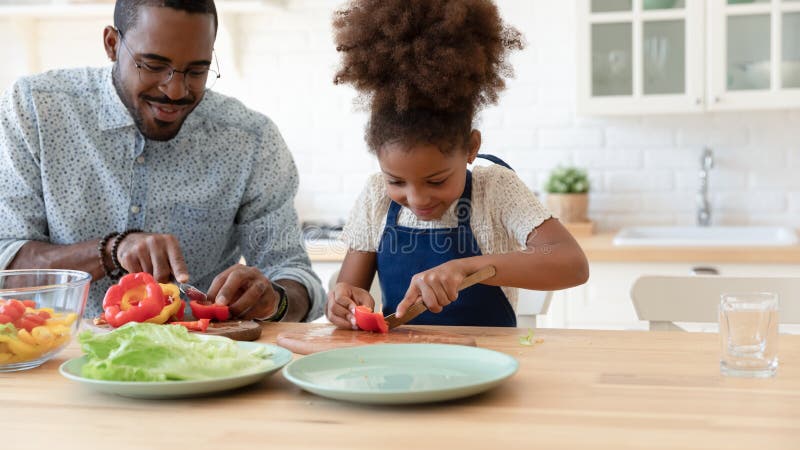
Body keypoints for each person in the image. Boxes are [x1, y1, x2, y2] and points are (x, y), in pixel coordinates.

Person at [0, 0, 325, 322]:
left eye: (197, 70)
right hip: (55, 358)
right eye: (153, 65)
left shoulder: (250, 139)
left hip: (202, 362)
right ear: (112, 44)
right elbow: (6, 263)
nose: (175, 90)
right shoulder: (34, 110)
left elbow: (294, 277)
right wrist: (111, 250)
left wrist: (274, 302)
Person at [326, 0, 589, 328]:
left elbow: (572, 263)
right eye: (396, 181)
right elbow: (349, 290)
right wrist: (342, 303)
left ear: (471, 147)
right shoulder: (375, 196)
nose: (418, 198)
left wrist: (470, 267)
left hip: (490, 365)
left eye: (436, 181)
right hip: (401, 371)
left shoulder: (495, 189)